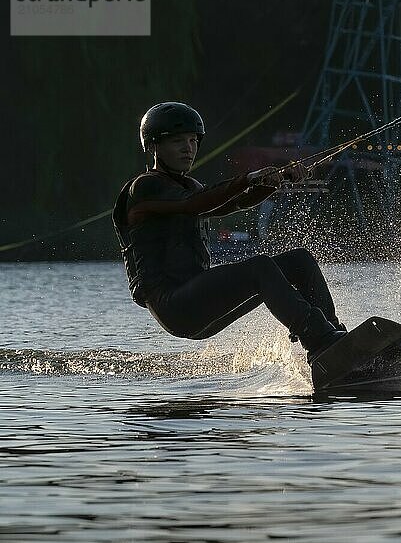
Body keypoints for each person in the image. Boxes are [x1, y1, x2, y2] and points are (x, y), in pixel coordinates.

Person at [112, 102, 346, 363]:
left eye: (192, 140)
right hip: (175, 306)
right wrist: (248, 178)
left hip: (200, 300)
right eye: (177, 141)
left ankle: (336, 338)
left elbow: (233, 204)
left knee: (299, 260)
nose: (188, 148)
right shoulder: (144, 187)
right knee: (260, 267)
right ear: (154, 146)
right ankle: (319, 341)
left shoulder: (189, 186)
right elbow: (194, 203)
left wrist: (277, 181)